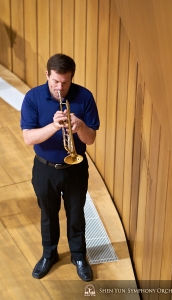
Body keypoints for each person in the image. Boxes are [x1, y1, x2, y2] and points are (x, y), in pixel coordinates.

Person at [20, 53, 100, 282]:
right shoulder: (33, 98)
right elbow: (29, 138)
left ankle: (78, 256)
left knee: (76, 214)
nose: (60, 88)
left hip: (75, 168)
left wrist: (80, 125)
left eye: (65, 82)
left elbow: (91, 138)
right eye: (55, 81)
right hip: (45, 169)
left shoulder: (84, 96)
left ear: (72, 78)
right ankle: (49, 254)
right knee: (48, 215)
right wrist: (54, 126)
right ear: (47, 74)